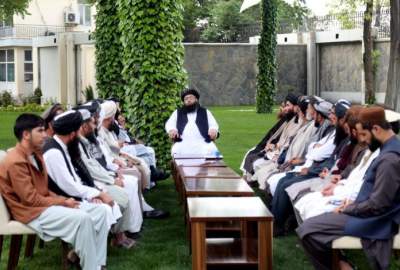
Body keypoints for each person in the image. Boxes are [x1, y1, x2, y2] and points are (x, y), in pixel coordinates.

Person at [0, 114, 110, 270]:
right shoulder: (15, 161)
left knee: (100, 211)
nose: (45, 134)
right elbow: (30, 200)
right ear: (26, 134)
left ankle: (97, 263)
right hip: (31, 213)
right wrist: (63, 202)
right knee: (83, 218)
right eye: (40, 131)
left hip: (44, 205)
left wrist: (63, 200)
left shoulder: (36, 153)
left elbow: (43, 190)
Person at [297, 106, 400, 270]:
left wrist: (350, 208)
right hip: (365, 212)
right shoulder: (388, 150)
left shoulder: (389, 159)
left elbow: (379, 205)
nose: (363, 140)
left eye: (364, 135)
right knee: (309, 227)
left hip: (375, 221)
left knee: (308, 231)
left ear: (376, 129)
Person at [165, 88, 219, 156]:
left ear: (196, 99)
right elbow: (170, 123)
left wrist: (213, 129)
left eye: (191, 98)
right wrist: (171, 130)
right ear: (184, 102)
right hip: (183, 142)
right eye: (186, 99)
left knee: (212, 151)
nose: (188, 100)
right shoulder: (177, 112)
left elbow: (213, 124)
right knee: (176, 150)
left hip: (203, 142)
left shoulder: (205, 112)